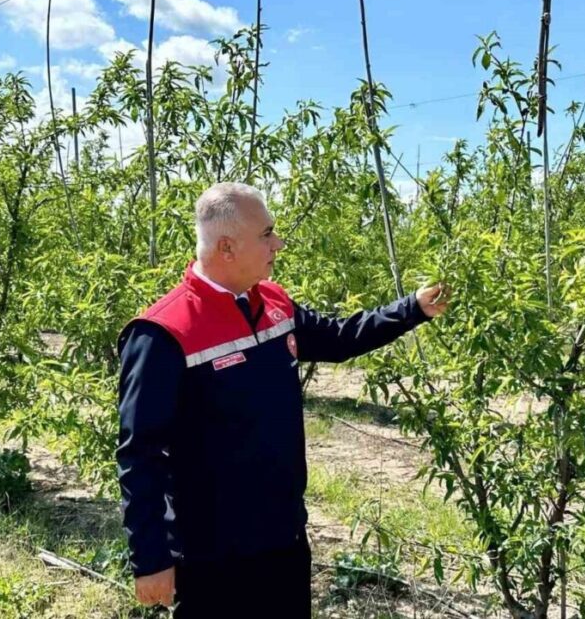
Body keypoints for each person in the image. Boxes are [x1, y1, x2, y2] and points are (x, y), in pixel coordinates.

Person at [116, 182, 449, 618]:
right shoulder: (164, 333)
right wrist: (150, 559)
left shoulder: (273, 303)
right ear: (227, 247)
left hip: (285, 538)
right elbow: (139, 454)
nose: (279, 242)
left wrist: (412, 309)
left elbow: (339, 339)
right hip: (213, 557)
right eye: (267, 234)